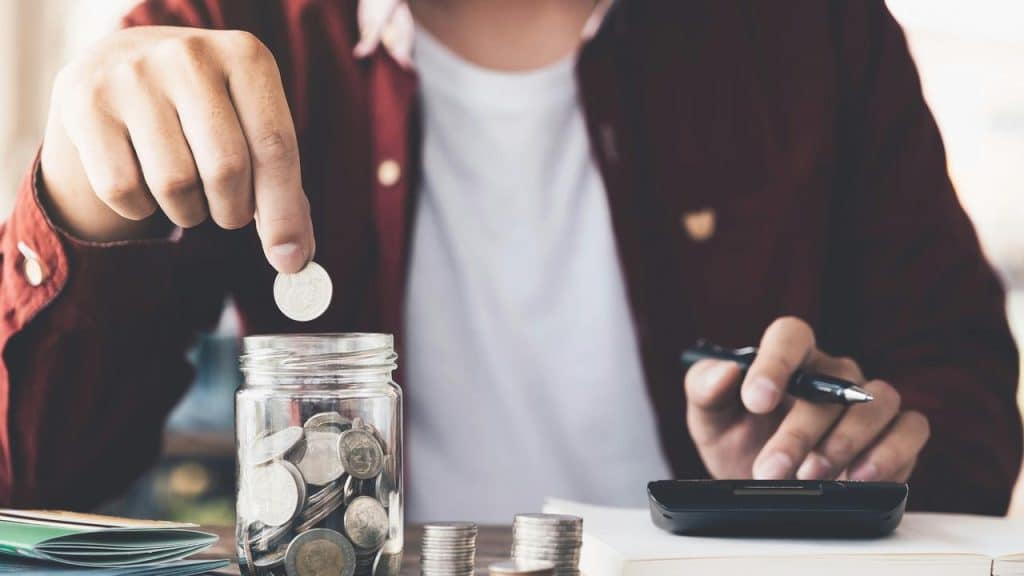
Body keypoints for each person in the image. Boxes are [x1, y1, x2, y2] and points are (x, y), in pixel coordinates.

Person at [0, 0, 1019, 522]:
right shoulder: (222, 23)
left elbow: (964, 406)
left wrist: (829, 477)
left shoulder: (812, 27)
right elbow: (29, 482)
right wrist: (79, 200)